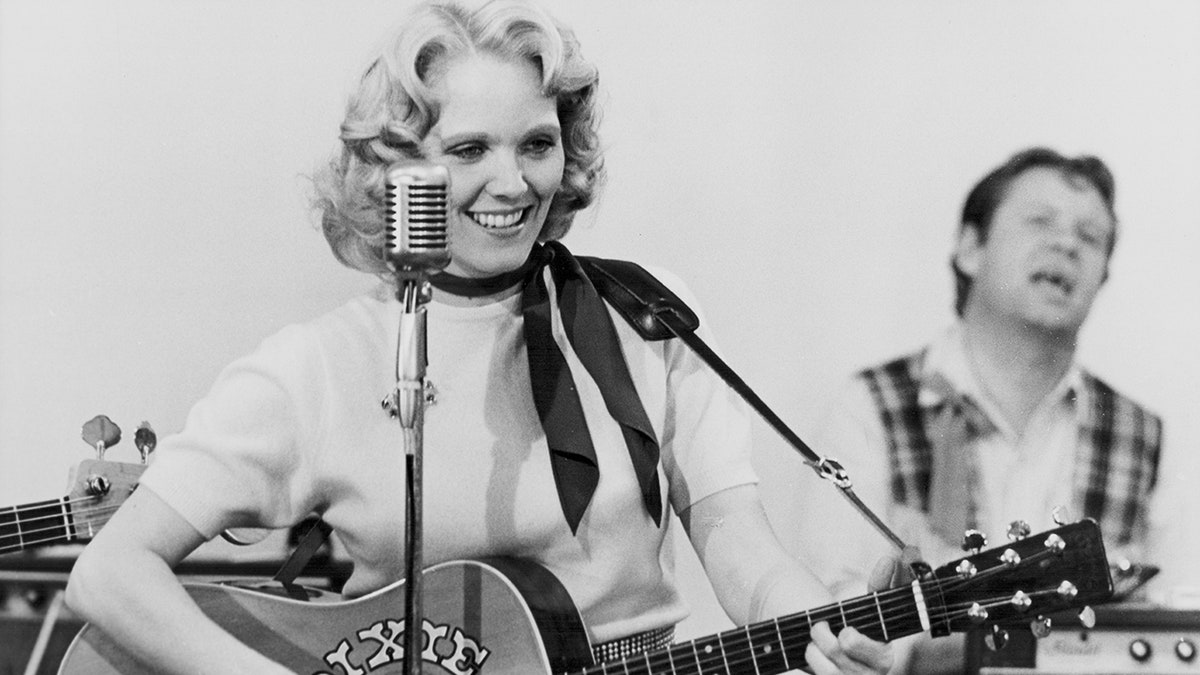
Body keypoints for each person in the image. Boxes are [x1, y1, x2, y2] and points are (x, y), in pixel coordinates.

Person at [65, 2, 895, 672]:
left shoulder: (646, 315)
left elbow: (739, 539)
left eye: (537, 142)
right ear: (397, 170)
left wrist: (823, 627)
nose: (514, 180)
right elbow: (108, 574)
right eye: (468, 149)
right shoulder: (314, 370)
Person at [794, 147, 1162, 673]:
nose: (1066, 244)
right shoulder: (871, 407)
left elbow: (1182, 618)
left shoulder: (1149, 439)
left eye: (1090, 237)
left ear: (1103, 277)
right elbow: (826, 616)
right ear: (970, 247)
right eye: (1041, 222)